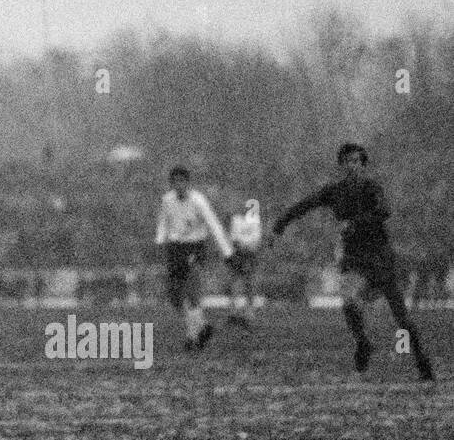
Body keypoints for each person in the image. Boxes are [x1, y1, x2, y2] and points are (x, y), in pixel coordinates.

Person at [270, 144, 434, 381]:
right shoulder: (334, 192)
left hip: (379, 256)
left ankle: (423, 362)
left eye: (357, 161)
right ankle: (363, 342)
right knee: (348, 302)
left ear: (363, 164)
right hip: (354, 257)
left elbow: (384, 211)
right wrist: (280, 225)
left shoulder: (371, 188)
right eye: (348, 161)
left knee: (401, 316)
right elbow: (305, 205)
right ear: (342, 164)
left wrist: (355, 222)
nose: (352, 165)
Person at [154, 166, 236, 350]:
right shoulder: (167, 200)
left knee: (191, 292)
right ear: (172, 184)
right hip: (175, 248)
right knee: (175, 297)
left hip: (195, 247)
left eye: (182, 181)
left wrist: (227, 252)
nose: (179, 185)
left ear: (188, 183)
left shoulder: (199, 201)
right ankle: (203, 326)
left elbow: (213, 224)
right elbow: (163, 222)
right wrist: (159, 242)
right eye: (175, 182)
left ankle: (192, 337)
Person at [225, 201, 261, 331]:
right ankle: (233, 311)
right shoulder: (236, 219)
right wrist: (242, 246)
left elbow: (256, 236)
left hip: (250, 253)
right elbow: (234, 237)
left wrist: (249, 247)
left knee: (249, 282)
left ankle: (249, 313)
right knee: (235, 281)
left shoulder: (254, 219)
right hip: (239, 253)